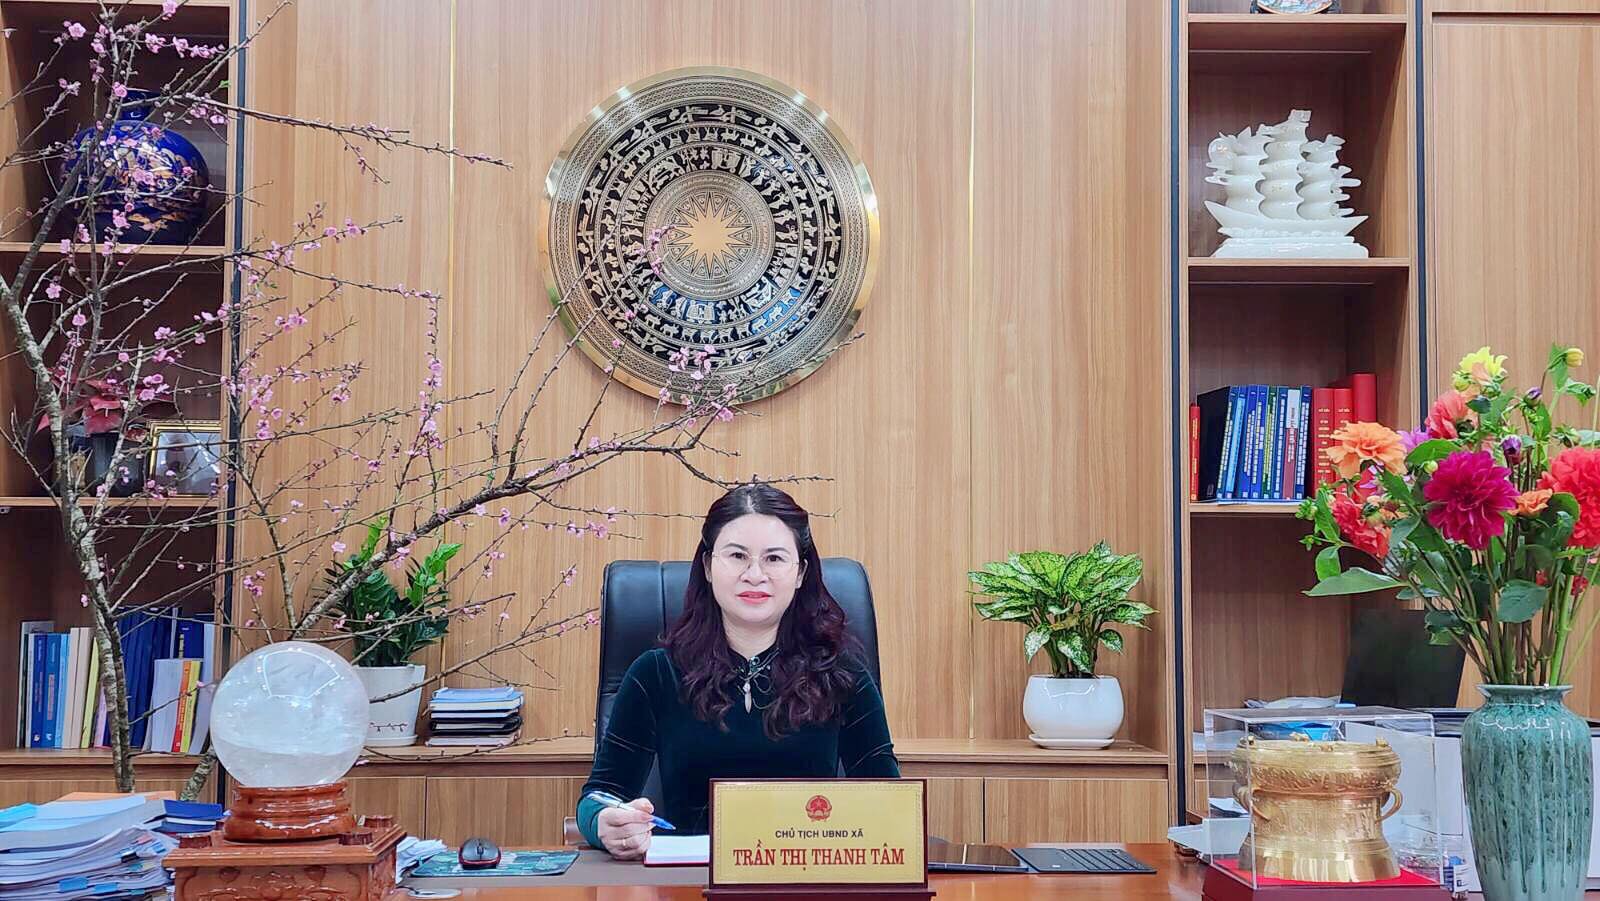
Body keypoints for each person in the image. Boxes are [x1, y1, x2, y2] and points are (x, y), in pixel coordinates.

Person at [576, 483, 899, 859]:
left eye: (774, 558)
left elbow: (890, 803)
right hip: (689, 878)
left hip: (804, 876)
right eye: (737, 556)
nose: (754, 574)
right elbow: (598, 797)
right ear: (708, 567)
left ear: (800, 572)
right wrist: (604, 822)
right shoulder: (655, 674)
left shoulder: (841, 675)